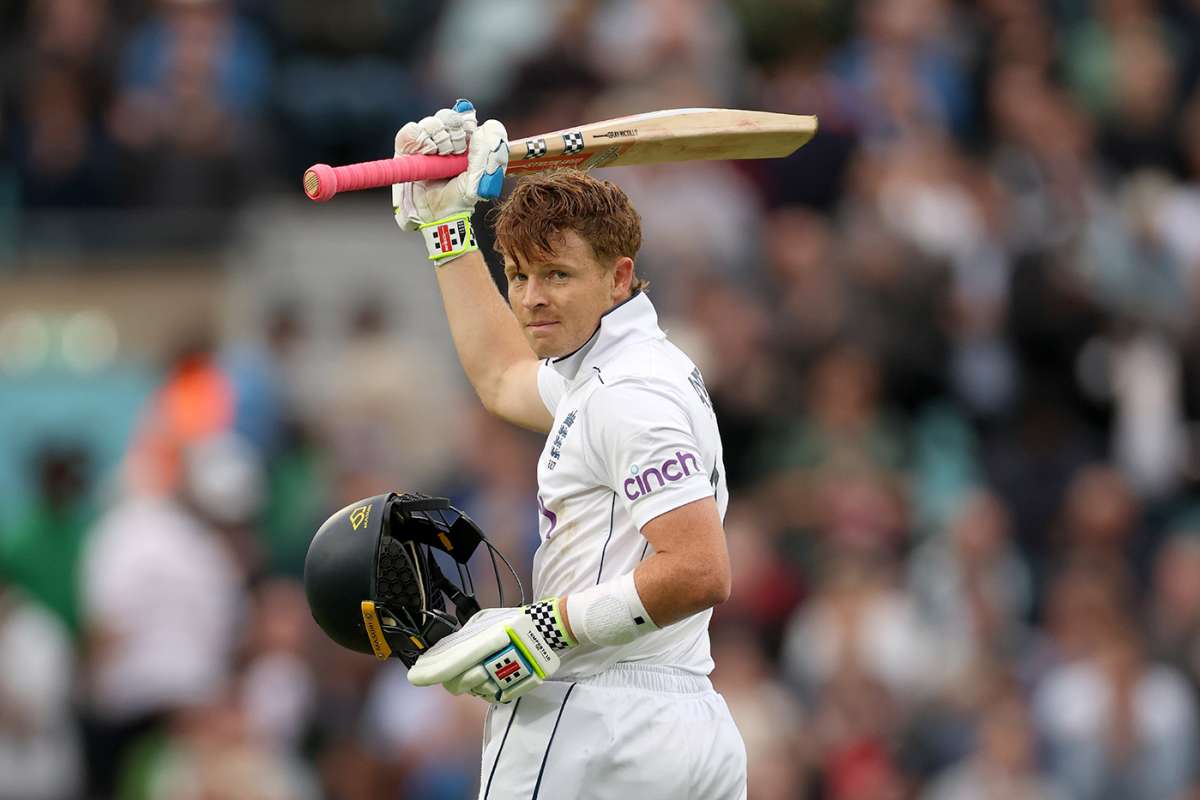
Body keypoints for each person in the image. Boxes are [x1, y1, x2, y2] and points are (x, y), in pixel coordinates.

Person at [391, 99, 747, 798]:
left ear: (618, 276)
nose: (531, 299)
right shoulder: (618, 368)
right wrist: (445, 231)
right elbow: (501, 377)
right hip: (683, 726)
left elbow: (701, 570)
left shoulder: (626, 393)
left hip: (597, 723)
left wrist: (547, 627)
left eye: (556, 275)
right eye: (518, 275)